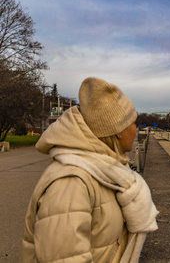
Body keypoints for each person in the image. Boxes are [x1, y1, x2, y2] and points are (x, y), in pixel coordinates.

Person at [21, 77, 158, 262]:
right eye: (133, 123)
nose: (135, 130)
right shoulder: (71, 183)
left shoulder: (104, 171)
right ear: (118, 130)